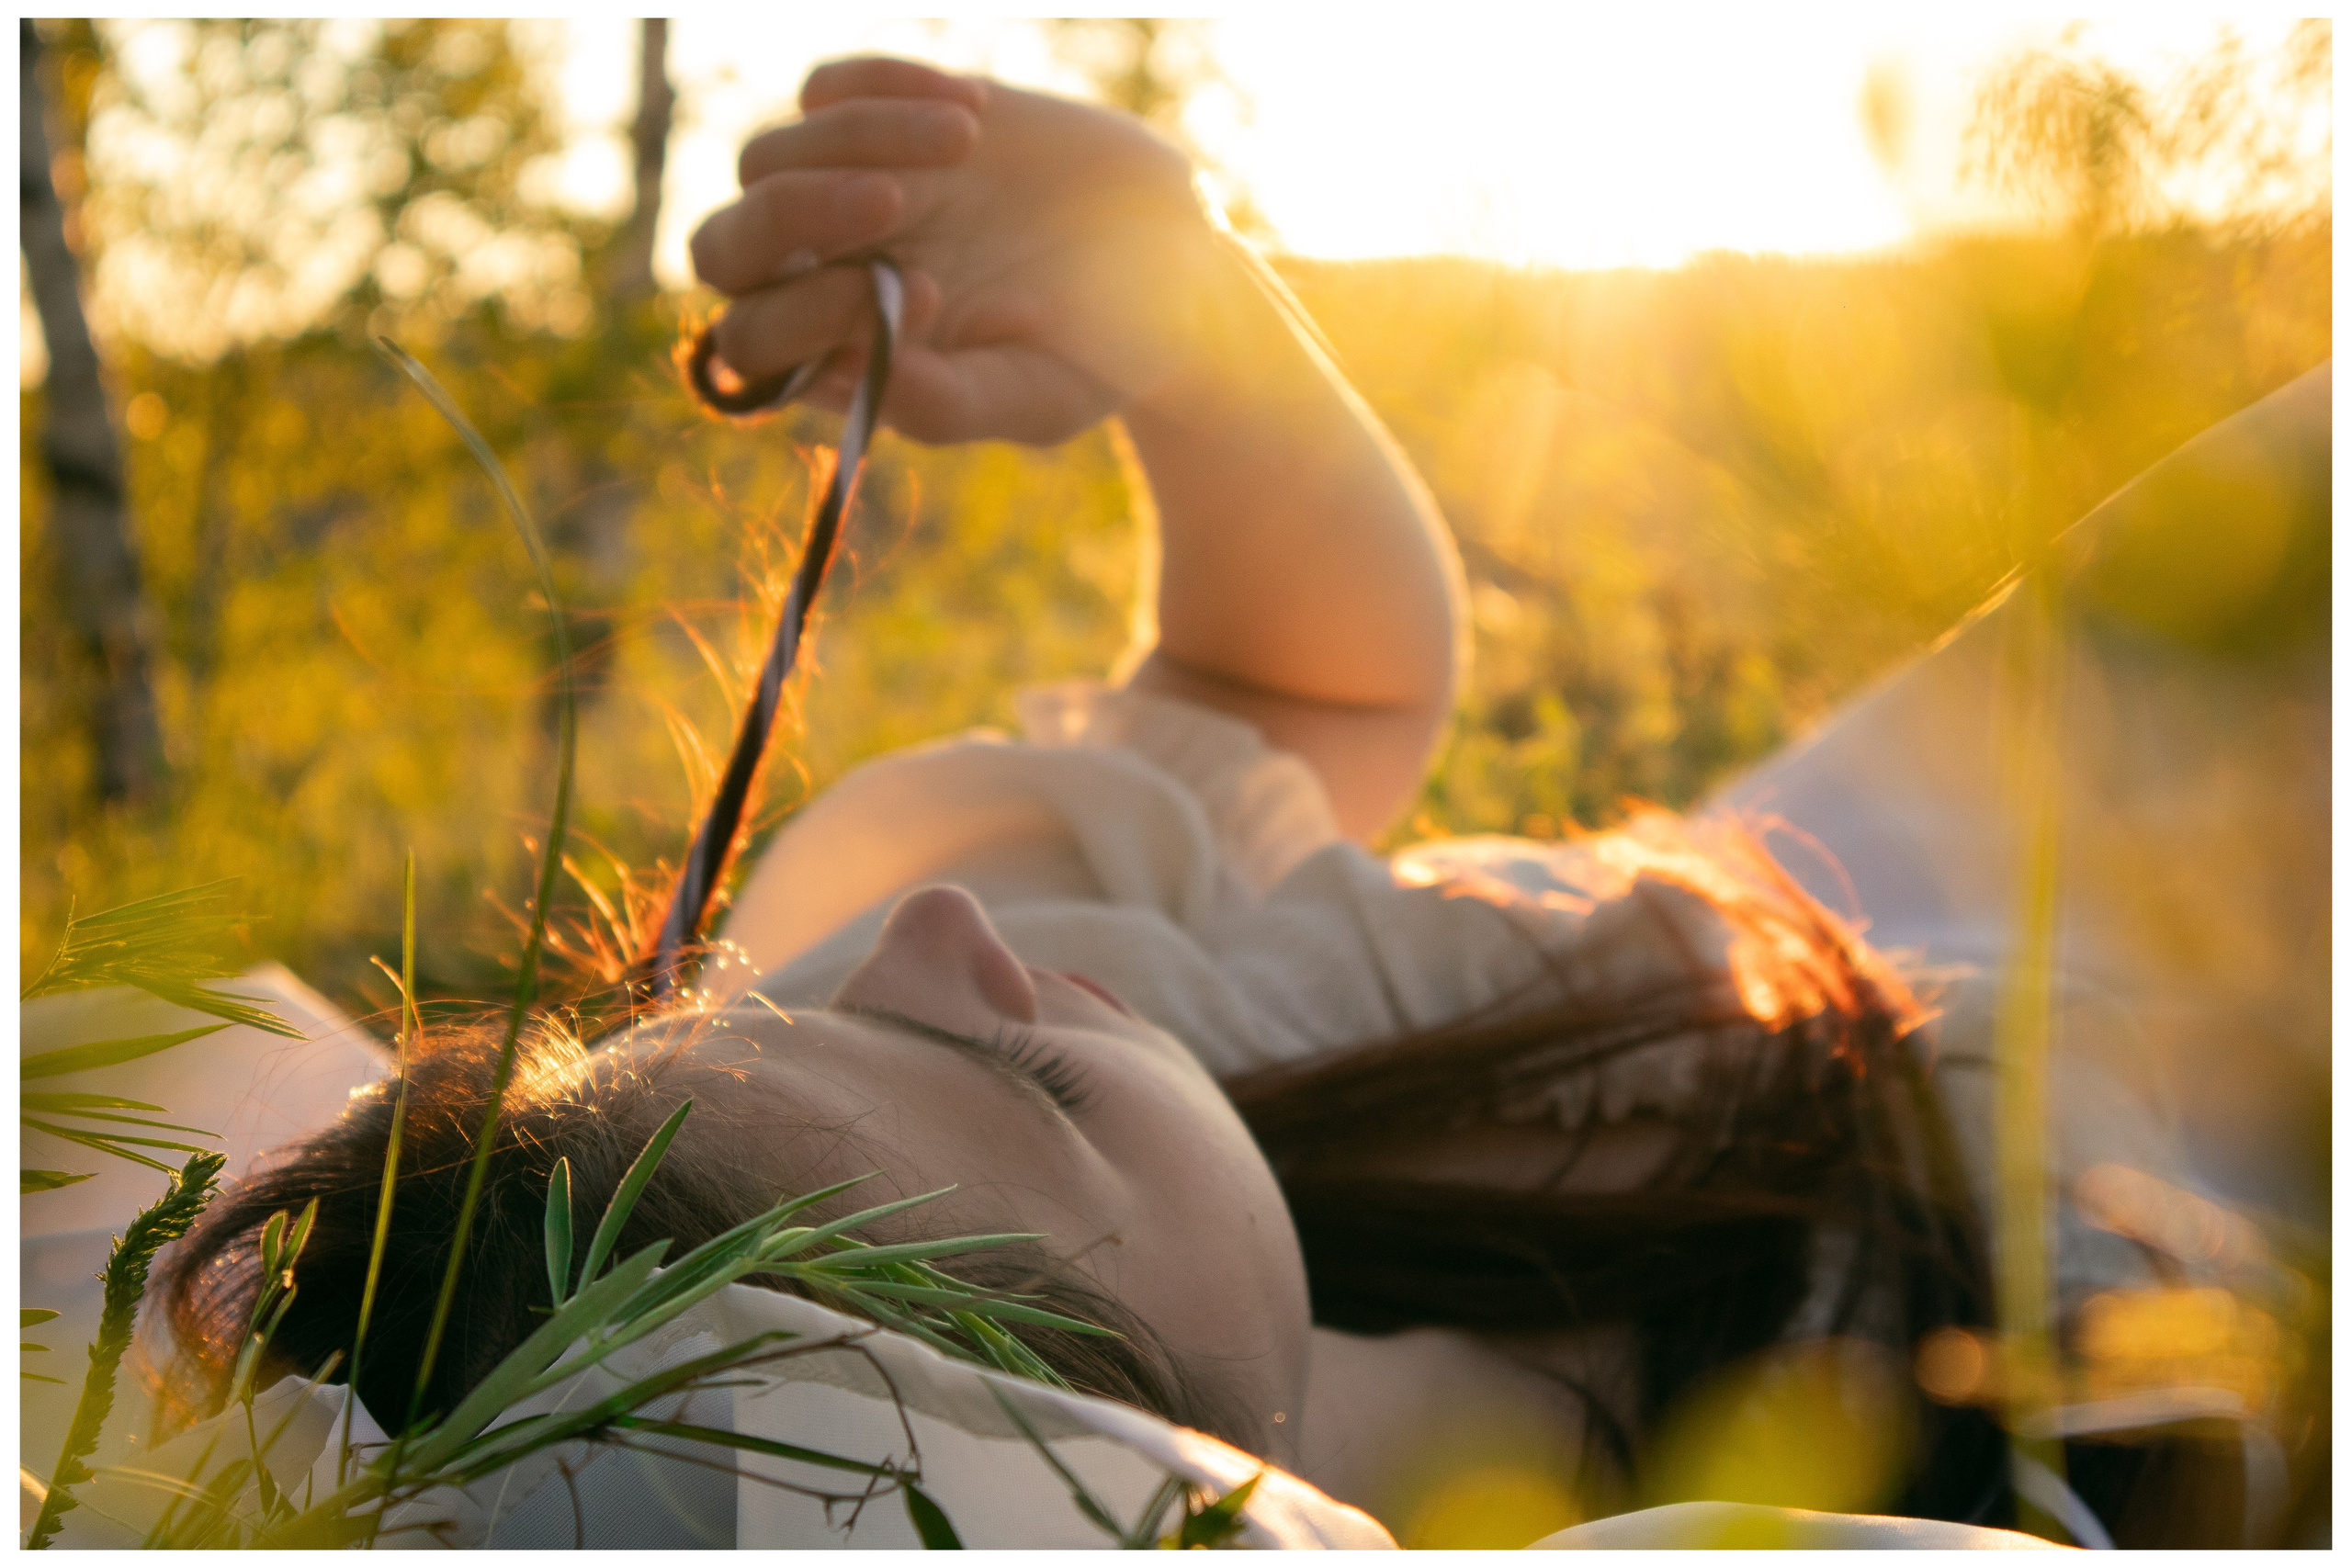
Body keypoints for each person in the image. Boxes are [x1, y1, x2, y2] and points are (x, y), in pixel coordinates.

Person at [161, 57, 2326, 1546]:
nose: (932, 944)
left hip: (1935, 865)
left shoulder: (987, 989)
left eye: (693, 1009)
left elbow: (1304, 683)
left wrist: (1172, 310)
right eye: (1009, 1075)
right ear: (1144, 1449)